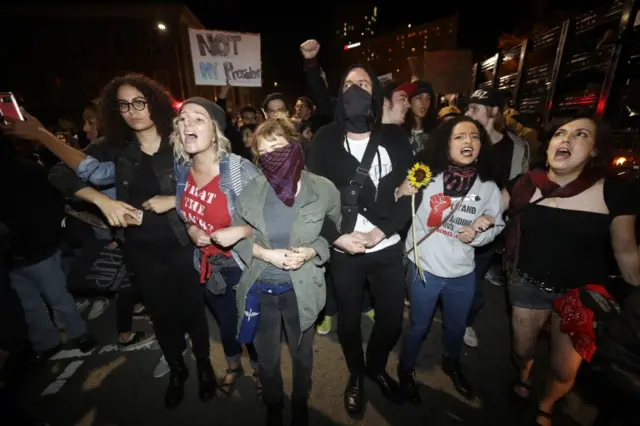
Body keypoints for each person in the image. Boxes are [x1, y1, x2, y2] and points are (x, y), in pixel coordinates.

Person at [37, 73, 216, 409]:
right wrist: (102, 201)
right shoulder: (112, 147)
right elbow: (60, 172)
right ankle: (178, 368)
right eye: (123, 105)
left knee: (193, 309)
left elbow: (213, 182)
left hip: (184, 242)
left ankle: (204, 364)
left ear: (154, 102)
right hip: (139, 249)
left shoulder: (181, 139)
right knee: (162, 315)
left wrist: (174, 200)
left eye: (139, 102)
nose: (132, 111)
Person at [503, 116, 640, 426]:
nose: (566, 139)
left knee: (565, 368)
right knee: (521, 349)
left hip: (580, 296)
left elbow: (627, 253)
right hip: (528, 284)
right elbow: (483, 207)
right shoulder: (525, 184)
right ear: (550, 144)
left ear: (594, 150)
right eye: (561, 133)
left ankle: (547, 404)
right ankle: (523, 374)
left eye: (580, 135)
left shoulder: (614, 193)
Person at [308, 64, 414, 418]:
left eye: (364, 83)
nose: (356, 89)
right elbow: (311, 200)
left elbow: (412, 193)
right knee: (349, 320)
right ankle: (355, 372)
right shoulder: (324, 138)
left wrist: (380, 232)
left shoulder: (396, 137)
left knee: (390, 319)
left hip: (386, 247)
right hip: (345, 250)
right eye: (349, 83)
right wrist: (337, 239)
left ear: (376, 93)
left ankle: (376, 365)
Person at [234, 117, 341, 426]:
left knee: (302, 356)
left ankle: (300, 405)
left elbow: (335, 230)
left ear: (294, 145)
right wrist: (266, 253)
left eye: (278, 146)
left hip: (301, 289)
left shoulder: (322, 188)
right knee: (266, 361)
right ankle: (274, 404)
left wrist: (312, 251)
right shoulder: (251, 193)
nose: (272, 155)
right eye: (264, 152)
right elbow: (237, 237)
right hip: (262, 289)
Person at [395, 116, 505, 402]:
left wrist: (479, 233)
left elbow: (496, 224)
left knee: (457, 326)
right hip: (426, 268)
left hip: (462, 272)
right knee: (419, 325)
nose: (468, 141)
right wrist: (400, 191)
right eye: (460, 137)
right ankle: (405, 369)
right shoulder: (426, 176)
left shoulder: (488, 188)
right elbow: (396, 205)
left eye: (475, 136)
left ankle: (451, 363)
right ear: (446, 143)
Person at [172, 97, 262, 400]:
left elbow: (276, 217)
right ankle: (234, 365)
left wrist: (241, 230)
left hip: (241, 264)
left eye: (198, 118)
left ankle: (263, 371)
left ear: (216, 130)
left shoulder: (238, 170)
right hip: (208, 267)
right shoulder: (182, 169)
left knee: (251, 324)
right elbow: (185, 213)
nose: (187, 125)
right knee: (225, 322)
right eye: (183, 119)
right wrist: (191, 228)